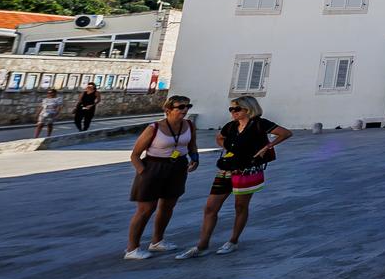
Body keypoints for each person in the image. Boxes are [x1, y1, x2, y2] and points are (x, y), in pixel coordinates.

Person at [176, 95, 291, 259]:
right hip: (226, 169)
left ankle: (233, 240)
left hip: (247, 170)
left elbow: (285, 133)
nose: (233, 112)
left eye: (237, 109)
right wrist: (230, 147)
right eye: (231, 109)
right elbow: (219, 137)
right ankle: (202, 245)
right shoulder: (231, 126)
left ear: (248, 109)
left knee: (240, 206)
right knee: (210, 207)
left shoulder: (259, 124)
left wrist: (268, 146)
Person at [125, 94, 198, 259]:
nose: (185, 110)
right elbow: (135, 155)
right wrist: (144, 173)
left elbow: (192, 145)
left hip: (177, 167)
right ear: (168, 110)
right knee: (146, 209)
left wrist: (195, 159)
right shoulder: (154, 128)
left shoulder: (189, 126)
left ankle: (157, 241)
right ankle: (132, 248)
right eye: (180, 107)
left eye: (188, 106)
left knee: (167, 206)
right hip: (154, 166)